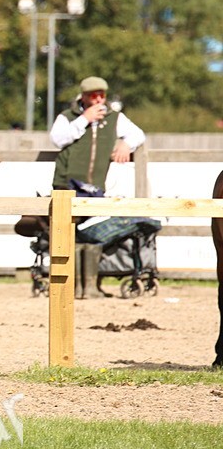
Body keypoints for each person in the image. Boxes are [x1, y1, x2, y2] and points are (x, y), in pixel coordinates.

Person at [50, 76, 146, 299]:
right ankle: (68, 286)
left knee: (92, 234)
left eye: (102, 95)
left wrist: (125, 143)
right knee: (65, 233)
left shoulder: (114, 118)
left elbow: (138, 134)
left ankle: (90, 286)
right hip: (66, 183)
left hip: (94, 187)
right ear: (84, 97)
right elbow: (58, 139)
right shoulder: (68, 117)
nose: (99, 100)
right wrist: (84, 119)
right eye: (94, 96)